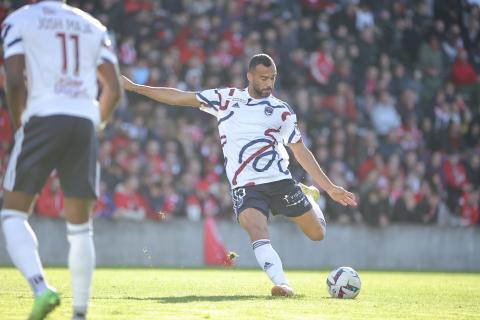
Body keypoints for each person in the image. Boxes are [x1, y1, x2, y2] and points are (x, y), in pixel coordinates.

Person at [122, 53, 357, 297]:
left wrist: (329, 187)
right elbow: (180, 97)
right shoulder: (226, 99)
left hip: (279, 180)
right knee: (256, 228)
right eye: (264, 78)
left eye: (273, 78)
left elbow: (299, 150)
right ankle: (283, 284)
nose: (269, 83)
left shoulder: (281, 110)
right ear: (250, 77)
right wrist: (134, 87)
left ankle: (308, 197)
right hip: (245, 185)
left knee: (317, 234)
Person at [1, 1, 121, 319]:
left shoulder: (20, 19)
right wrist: (95, 122)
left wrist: (20, 125)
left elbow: (14, 80)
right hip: (83, 120)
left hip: (42, 117)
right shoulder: (93, 26)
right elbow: (114, 89)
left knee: (12, 214)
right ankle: (79, 313)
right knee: (81, 228)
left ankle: (41, 288)